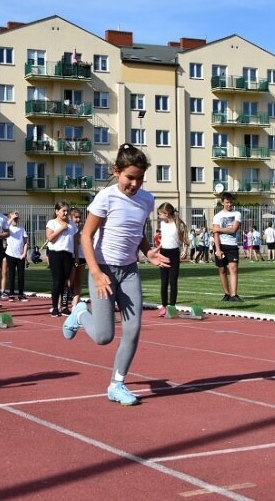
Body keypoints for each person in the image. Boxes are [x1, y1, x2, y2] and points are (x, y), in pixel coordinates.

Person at [61, 143, 169, 406]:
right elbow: (85, 236)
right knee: (103, 337)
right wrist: (96, 273)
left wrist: (148, 252)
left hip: (130, 270)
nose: (134, 184)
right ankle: (80, 314)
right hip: (103, 269)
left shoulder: (147, 200)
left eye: (140, 179)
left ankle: (116, 384)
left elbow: (138, 231)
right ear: (116, 172)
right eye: (129, 177)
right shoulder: (106, 197)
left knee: (133, 329)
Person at [156, 202, 188, 317]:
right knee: (164, 281)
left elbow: (184, 238)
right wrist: (157, 252)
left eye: (160, 214)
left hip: (174, 253)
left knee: (173, 281)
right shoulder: (162, 225)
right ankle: (164, 306)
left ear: (167, 213)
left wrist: (185, 250)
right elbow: (164, 239)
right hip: (164, 252)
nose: (159, 217)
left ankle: (172, 306)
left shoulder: (178, 224)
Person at [46, 201, 77, 316]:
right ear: (56, 211)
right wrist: (60, 229)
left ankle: (64, 306)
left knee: (66, 282)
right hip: (55, 254)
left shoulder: (72, 225)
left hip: (68, 254)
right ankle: (54, 306)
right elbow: (50, 238)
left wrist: (76, 256)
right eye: (63, 210)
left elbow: (75, 242)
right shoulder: (52, 223)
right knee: (57, 281)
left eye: (67, 210)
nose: (65, 213)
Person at [212, 192, 243, 302]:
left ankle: (234, 294)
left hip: (232, 245)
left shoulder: (237, 214)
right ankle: (226, 293)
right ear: (222, 203)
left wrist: (219, 229)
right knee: (222, 270)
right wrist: (218, 249)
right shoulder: (217, 216)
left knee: (233, 269)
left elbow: (233, 229)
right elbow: (215, 234)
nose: (229, 204)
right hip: (220, 245)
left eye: (230, 202)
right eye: (227, 202)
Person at [4, 211, 29, 301]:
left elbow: (26, 242)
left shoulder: (22, 229)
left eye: (16, 218)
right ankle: (11, 294)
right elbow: (5, 226)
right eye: (14, 218)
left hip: (20, 255)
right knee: (12, 274)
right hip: (10, 254)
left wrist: (24, 253)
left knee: (21, 275)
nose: (15, 220)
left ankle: (21, 294)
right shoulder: (8, 228)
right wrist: (11, 217)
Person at [67, 207, 85, 309]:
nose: (78, 220)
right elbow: (74, 241)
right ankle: (63, 303)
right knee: (69, 281)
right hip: (72, 256)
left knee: (78, 281)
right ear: (71, 217)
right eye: (76, 217)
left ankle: (75, 304)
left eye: (79, 217)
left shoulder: (84, 228)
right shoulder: (70, 228)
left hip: (82, 257)